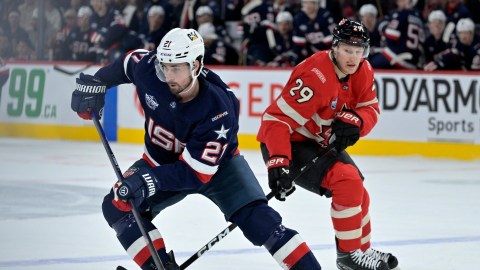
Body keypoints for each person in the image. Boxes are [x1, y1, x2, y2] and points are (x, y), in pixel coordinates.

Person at [70, 27, 323, 270]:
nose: (168, 76)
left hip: (220, 169)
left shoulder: (219, 107)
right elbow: (127, 64)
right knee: (116, 204)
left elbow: (196, 173)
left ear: (196, 65)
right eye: (165, 67)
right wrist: (97, 83)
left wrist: (147, 180)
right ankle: (158, 266)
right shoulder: (149, 70)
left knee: (262, 223)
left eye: (176, 69)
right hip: (160, 162)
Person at [257, 18, 398, 270]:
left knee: (358, 191)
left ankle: (360, 252)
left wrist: (357, 120)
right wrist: (279, 162)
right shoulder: (316, 75)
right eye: (347, 50)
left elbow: (370, 108)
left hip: (316, 140)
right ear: (334, 47)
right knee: (347, 180)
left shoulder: (363, 70)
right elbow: (276, 121)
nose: (354, 58)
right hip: (288, 143)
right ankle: (348, 256)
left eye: (359, 51)